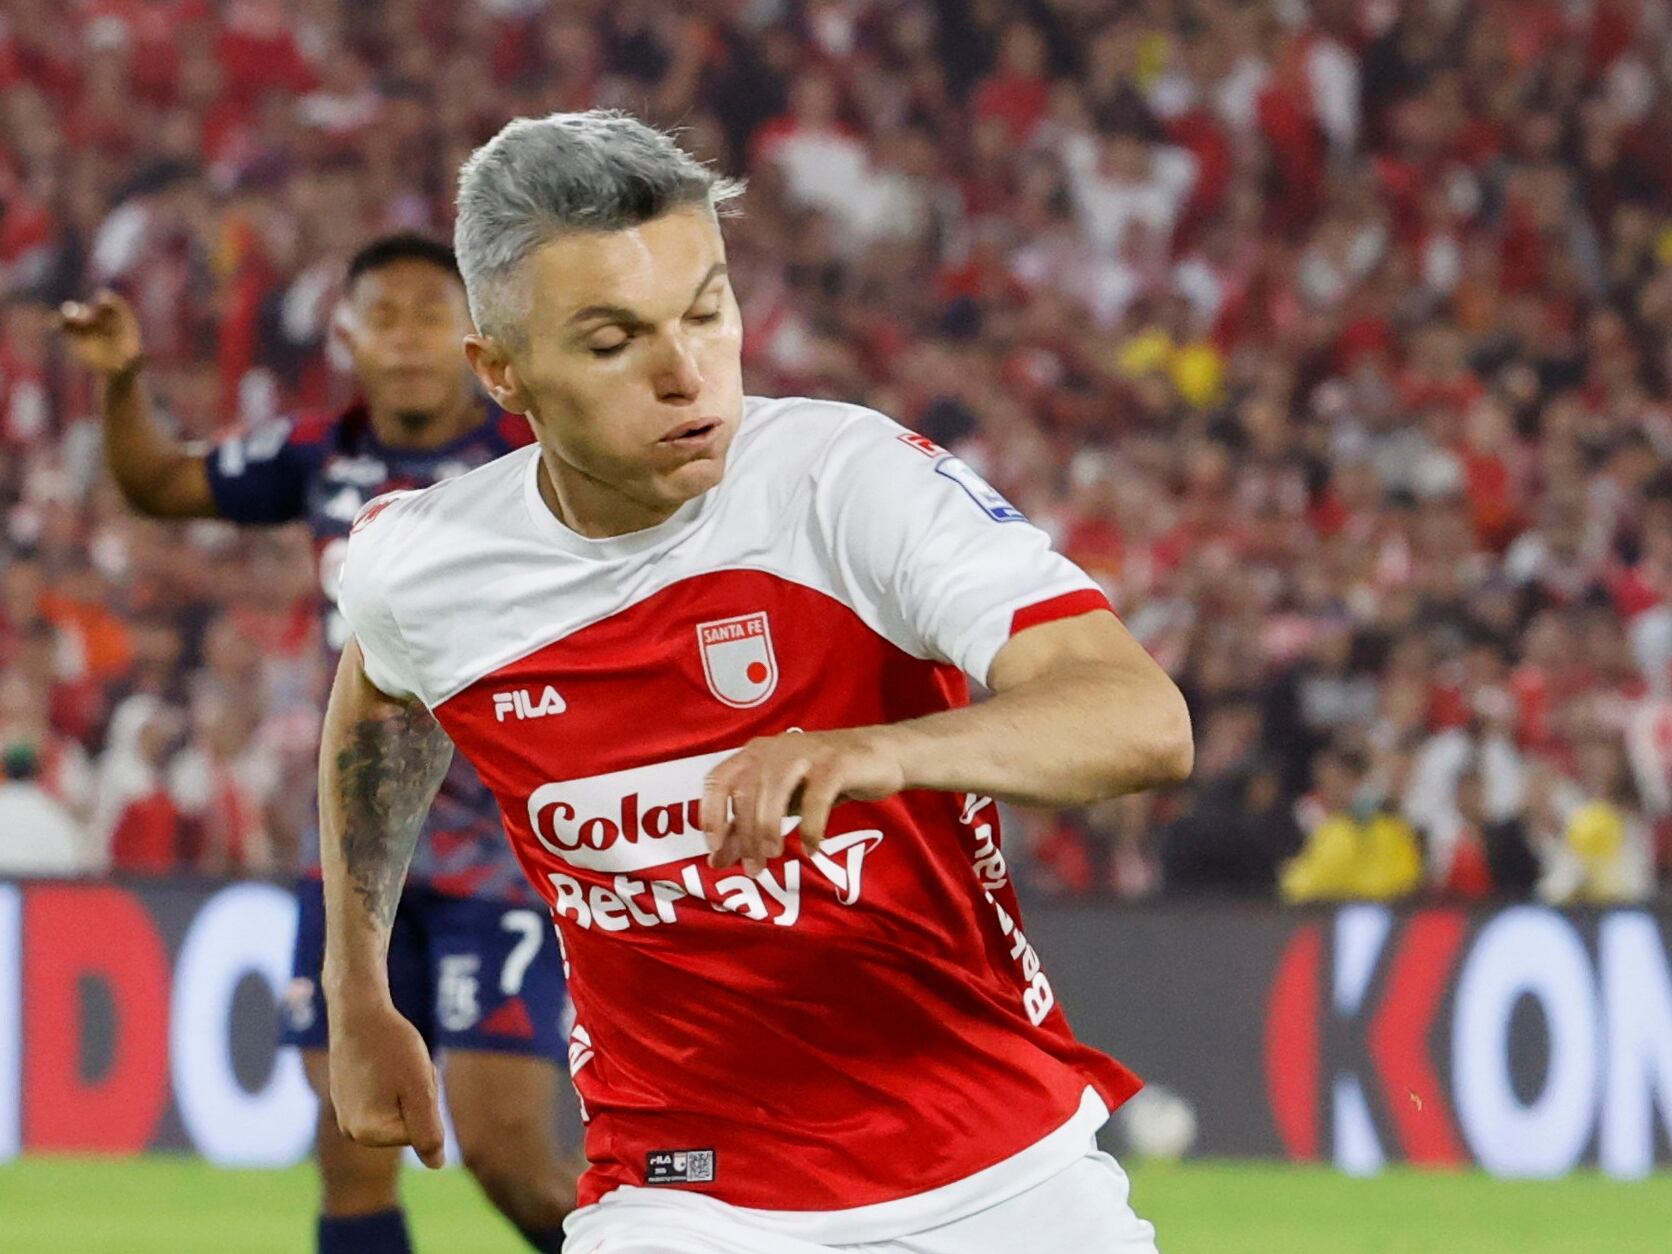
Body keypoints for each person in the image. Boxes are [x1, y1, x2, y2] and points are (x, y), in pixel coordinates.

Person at [323, 110, 1193, 1254]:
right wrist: (357, 987)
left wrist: (881, 751)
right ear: (502, 371)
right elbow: (381, 696)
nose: (686, 374)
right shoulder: (427, 565)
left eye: (706, 311)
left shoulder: (846, 485)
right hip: (680, 1196)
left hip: (999, 1173)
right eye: (612, 341)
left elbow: (1140, 718)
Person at [56, 234, 576, 1254]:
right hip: (356, 858)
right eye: (385, 316)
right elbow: (159, 484)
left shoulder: (533, 459)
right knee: (350, 1156)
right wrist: (121, 380)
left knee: (509, 1159)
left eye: (430, 314)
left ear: (472, 337)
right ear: (347, 335)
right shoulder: (318, 452)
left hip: (499, 859)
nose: (408, 338)